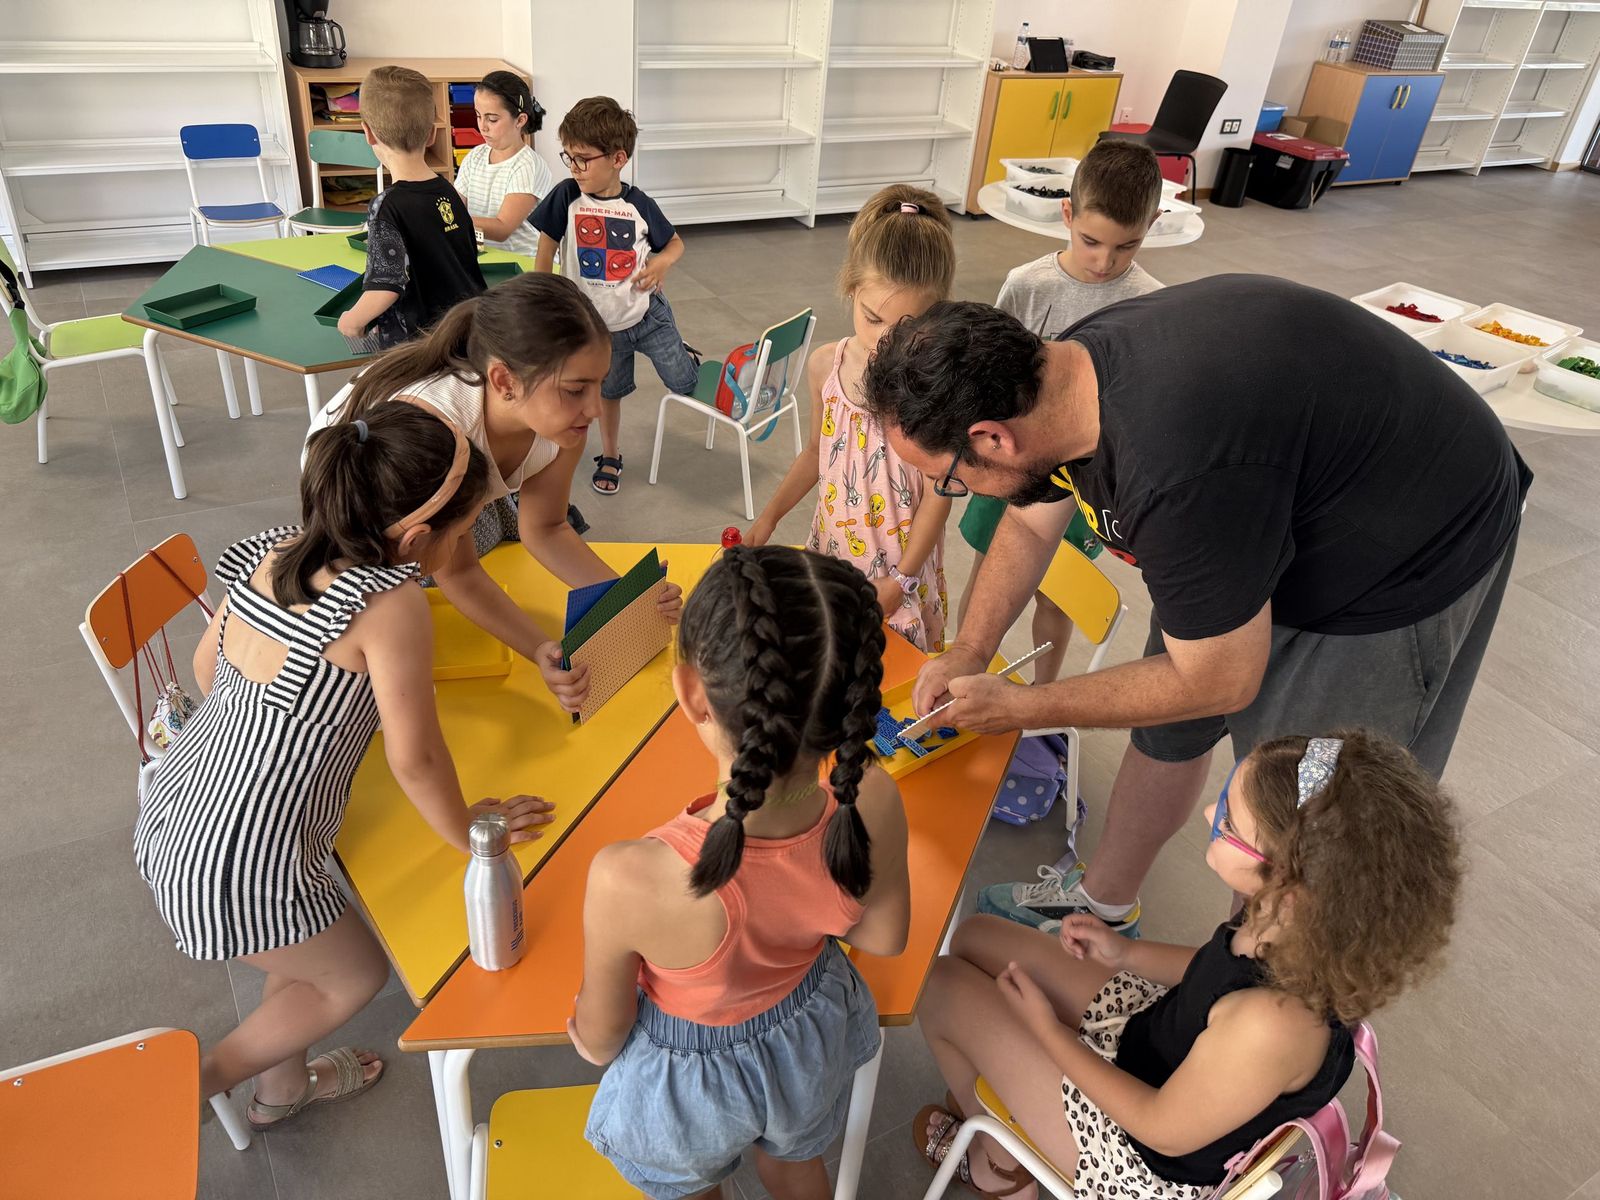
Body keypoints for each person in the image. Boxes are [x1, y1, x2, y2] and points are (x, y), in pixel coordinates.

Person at [862, 276, 1528, 936]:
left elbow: (1216, 679)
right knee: (1166, 721)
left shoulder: (1175, 472)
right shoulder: (1053, 381)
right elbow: (1033, 522)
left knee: (1301, 805)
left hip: (1400, 555)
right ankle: (1102, 904)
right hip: (1257, 508)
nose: (946, 492)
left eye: (946, 478)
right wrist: (971, 650)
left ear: (993, 438)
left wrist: (1026, 708)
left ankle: (1253, 977)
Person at [135, 404, 556, 1129]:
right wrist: (473, 835)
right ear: (419, 538)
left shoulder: (276, 550)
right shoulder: (390, 605)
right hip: (238, 863)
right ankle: (199, 1085)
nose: (463, 548)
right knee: (353, 975)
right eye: (462, 535)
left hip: (176, 807)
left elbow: (211, 669)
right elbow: (416, 759)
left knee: (307, 956)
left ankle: (281, 1090)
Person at [914, 731, 1461, 1200]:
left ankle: (999, 1168)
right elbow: (1214, 969)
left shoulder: (1271, 1025)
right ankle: (1002, 1093)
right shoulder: (1295, 926)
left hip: (1135, 1153)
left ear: (1289, 890)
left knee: (939, 985)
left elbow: (1160, 1128)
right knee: (976, 935)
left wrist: (1044, 1031)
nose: (1207, 813)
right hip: (1155, 1043)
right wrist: (1124, 952)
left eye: (1228, 822)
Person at [568, 546, 911, 1200]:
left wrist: (583, 1029)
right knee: (796, 1159)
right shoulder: (875, 799)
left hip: (688, 1089)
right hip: (811, 1038)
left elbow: (601, 1037)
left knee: (690, 1186)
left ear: (692, 693)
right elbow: (884, 939)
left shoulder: (629, 877)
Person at [310, 274, 684, 714]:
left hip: (445, 482)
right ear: (505, 381)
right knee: (384, 618)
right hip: (357, 494)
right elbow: (459, 573)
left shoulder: (563, 424)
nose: (596, 408)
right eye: (576, 389)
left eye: (599, 384)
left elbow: (545, 527)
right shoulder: (443, 440)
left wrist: (625, 598)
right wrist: (537, 646)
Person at [958, 140, 1165, 686]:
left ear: (1154, 225)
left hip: (1086, 484)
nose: (1105, 261)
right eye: (1091, 241)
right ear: (1067, 215)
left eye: (1127, 246)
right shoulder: (1028, 285)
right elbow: (988, 376)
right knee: (987, 582)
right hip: (1012, 466)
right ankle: (959, 678)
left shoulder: (1153, 304)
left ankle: (1042, 699)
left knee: (1056, 595)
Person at [745, 184, 956, 652]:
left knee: (895, 687)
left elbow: (941, 492)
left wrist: (901, 581)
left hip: (900, 571)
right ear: (851, 288)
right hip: (834, 554)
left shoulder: (938, 384)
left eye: (908, 328)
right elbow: (815, 453)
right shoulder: (826, 366)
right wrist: (769, 518)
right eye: (872, 318)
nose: (886, 341)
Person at [529, 96, 699, 496]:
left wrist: (661, 265)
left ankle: (686, 356)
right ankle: (609, 454)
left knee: (683, 383)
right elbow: (546, 248)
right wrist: (543, 301)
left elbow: (675, 244)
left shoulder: (638, 205)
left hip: (647, 316)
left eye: (583, 159)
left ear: (618, 158)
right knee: (609, 394)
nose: (573, 168)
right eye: (568, 157)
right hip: (602, 331)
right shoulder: (566, 196)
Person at [338, 65, 484, 349]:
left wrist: (352, 320)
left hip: (421, 350)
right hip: (470, 334)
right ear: (431, 134)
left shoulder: (387, 206)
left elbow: (386, 284)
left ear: (368, 133)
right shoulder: (450, 192)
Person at [455, 70, 552, 257]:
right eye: (478, 115)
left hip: (523, 264)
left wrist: (451, 222)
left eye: (492, 119)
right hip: (486, 257)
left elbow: (502, 229)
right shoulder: (475, 157)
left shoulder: (528, 166)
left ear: (520, 120)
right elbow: (456, 207)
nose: (482, 126)